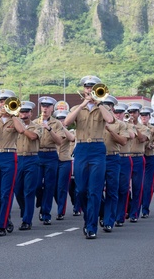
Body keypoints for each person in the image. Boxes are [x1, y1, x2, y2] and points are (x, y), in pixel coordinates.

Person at [63, 76, 115, 239]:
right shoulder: (77, 108)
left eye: (93, 87)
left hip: (97, 148)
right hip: (81, 148)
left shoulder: (103, 107)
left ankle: (92, 226)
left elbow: (110, 120)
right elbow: (66, 122)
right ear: (83, 89)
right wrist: (83, 105)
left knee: (95, 190)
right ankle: (89, 218)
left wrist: (98, 103)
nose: (89, 90)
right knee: (81, 190)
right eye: (87, 87)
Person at [0, 89, 28, 236]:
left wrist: (12, 114)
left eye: (6, 102)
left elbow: (21, 130)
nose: (3, 104)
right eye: (1, 102)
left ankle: (1, 225)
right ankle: (5, 217)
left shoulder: (15, 119)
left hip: (9, 156)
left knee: (6, 193)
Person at [35, 96, 66, 226]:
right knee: (36, 184)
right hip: (37, 154)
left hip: (51, 154)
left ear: (52, 108)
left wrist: (49, 129)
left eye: (48, 106)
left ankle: (46, 213)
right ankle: (41, 202)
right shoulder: (35, 122)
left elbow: (59, 141)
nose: (45, 109)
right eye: (43, 106)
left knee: (49, 185)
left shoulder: (57, 123)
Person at [12, 101, 41, 230]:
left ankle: (27, 220)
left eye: (26, 112)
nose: (24, 114)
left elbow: (33, 136)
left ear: (31, 113)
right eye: (22, 112)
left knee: (29, 190)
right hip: (18, 158)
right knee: (17, 190)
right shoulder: (14, 126)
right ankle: (25, 211)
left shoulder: (37, 126)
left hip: (32, 158)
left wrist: (23, 129)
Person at [101, 97, 128, 232]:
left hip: (113, 158)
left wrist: (110, 130)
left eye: (108, 106)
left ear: (112, 108)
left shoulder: (120, 124)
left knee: (112, 190)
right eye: (103, 105)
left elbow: (123, 141)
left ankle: (108, 221)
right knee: (93, 190)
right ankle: (102, 213)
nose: (106, 108)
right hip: (98, 158)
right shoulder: (95, 122)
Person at [53, 107, 75, 221]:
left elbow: (72, 138)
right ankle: (59, 204)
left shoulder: (70, 131)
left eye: (63, 119)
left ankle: (60, 211)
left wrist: (62, 127)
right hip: (53, 160)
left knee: (62, 187)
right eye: (59, 119)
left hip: (65, 161)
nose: (61, 120)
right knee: (53, 187)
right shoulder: (53, 130)